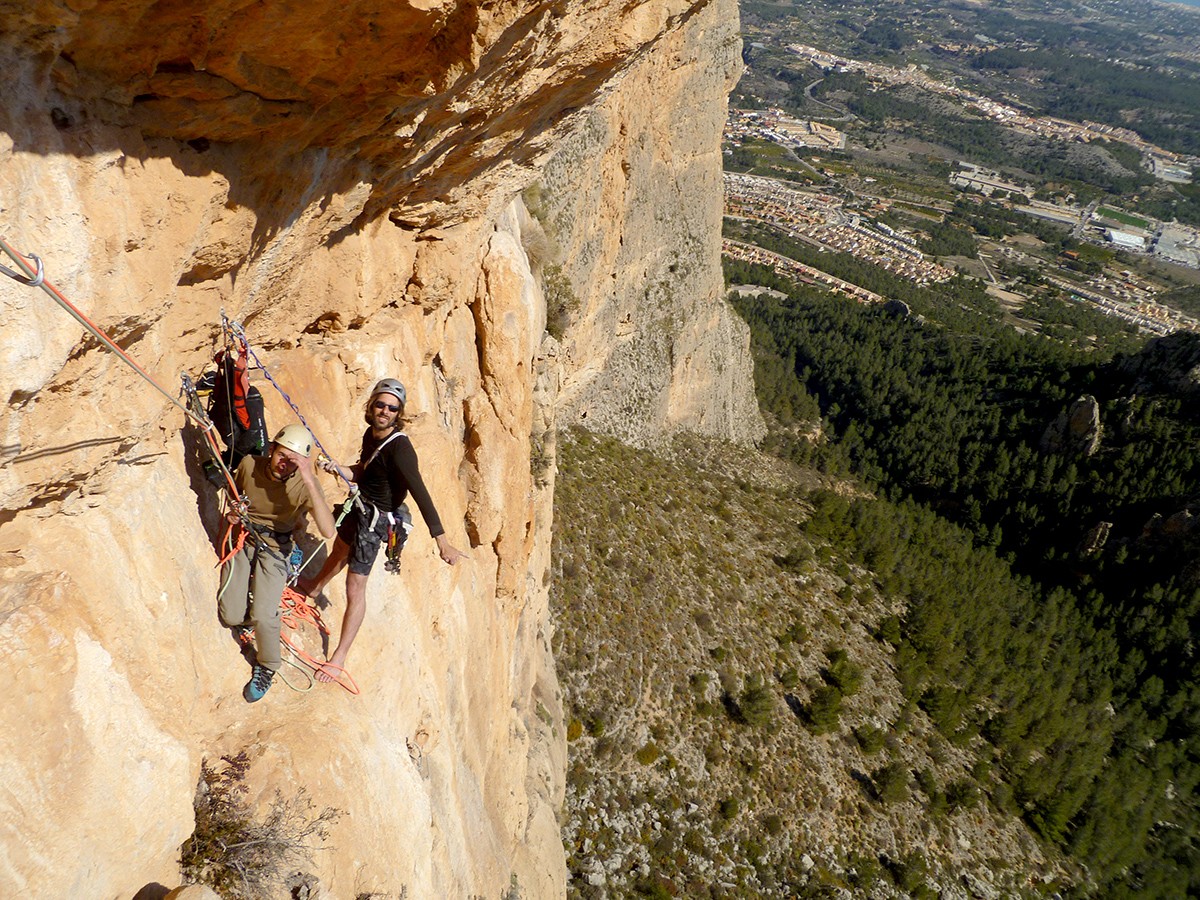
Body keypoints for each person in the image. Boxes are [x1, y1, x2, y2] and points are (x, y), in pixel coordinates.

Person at [296, 377, 465, 683]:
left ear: (398, 414)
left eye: (392, 408)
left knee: (354, 587)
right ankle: (313, 588)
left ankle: (339, 658)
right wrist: (339, 468)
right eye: (380, 405)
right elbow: (364, 471)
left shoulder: (400, 449)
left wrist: (443, 542)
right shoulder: (371, 434)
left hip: (376, 522)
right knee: (339, 550)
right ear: (371, 406)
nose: (385, 411)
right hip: (360, 506)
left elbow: (420, 492)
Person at [218, 424, 336, 702]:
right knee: (231, 616)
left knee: (262, 614)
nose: (285, 464)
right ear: (271, 450)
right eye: (282, 455)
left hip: (276, 548)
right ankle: (250, 603)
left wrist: (308, 477)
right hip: (246, 539)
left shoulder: (303, 483)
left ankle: (268, 666)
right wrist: (234, 514)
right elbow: (234, 495)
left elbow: (329, 531)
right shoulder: (249, 465)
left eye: (293, 461)